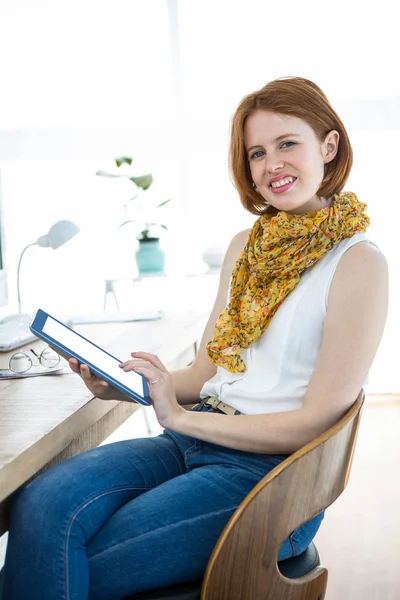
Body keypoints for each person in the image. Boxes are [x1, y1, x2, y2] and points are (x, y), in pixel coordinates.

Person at [0, 76, 388, 600]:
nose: (271, 164)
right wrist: (130, 385)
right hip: (194, 438)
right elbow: (207, 373)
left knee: (72, 561)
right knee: (42, 503)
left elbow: (313, 423)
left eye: (286, 144)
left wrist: (180, 417)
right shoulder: (244, 246)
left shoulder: (358, 263)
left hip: (272, 481)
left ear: (329, 144)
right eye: (256, 152)